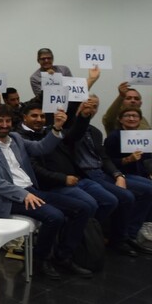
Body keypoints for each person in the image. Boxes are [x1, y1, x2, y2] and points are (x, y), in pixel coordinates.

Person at [0, 104, 92, 279]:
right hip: (9, 198)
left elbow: (40, 148)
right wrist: (23, 194)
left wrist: (57, 127)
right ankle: (40, 260)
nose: (4, 125)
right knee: (55, 216)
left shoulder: (15, 138)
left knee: (83, 208)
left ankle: (63, 256)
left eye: (7, 121)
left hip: (31, 191)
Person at [31, 97, 148, 257]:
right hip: (83, 175)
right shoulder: (65, 130)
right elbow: (75, 133)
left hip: (100, 172)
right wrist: (82, 114)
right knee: (118, 198)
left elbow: (103, 157)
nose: (90, 109)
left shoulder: (95, 131)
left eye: (94, 107)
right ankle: (97, 236)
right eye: (86, 106)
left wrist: (117, 174)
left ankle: (114, 235)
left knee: (140, 191)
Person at [103, 106, 152, 252]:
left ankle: (140, 229)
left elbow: (147, 159)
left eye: (135, 116)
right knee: (148, 190)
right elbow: (107, 161)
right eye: (128, 116)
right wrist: (127, 160)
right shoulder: (114, 137)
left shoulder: (141, 136)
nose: (131, 118)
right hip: (116, 175)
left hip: (135, 174)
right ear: (120, 119)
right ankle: (130, 234)